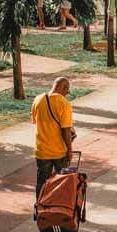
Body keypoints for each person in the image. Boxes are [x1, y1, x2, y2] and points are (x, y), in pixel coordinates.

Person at [31, 77, 74, 206]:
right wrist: (69, 150)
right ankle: (60, 208)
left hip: (41, 151)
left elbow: (35, 121)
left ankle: (40, 208)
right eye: (67, 91)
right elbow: (66, 130)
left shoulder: (38, 99)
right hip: (59, 152)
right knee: (62, 182)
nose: (67, 94)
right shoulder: (64, 103)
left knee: (42, 182)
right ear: (64, 88)